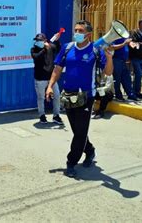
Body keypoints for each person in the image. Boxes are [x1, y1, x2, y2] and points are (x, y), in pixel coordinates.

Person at [46, 20, 113, 178]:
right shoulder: (67, 48)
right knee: (78, 131)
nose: (77, 32)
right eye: (76, 29)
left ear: (88, 34)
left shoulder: (96, 50)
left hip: (86, 96)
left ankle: (71, 162)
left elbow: (108, 72)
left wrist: (109, 58)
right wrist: (50, 86)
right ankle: (90, 151)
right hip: (69, 95)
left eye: (80, 30)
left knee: (80, 132)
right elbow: (57, 68)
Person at [30, 32, 63, 124]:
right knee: (41, 98)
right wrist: (44, 48)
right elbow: (36, 57)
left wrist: (57, 40)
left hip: (51, 78)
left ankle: (56, 115)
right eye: (37, 40)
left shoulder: (51, 47)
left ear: (45, 40)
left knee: (57, 96)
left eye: (40, 40)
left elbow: (59, 49)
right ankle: (42, 115)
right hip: (40, 78)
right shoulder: (34, 49)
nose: (38, 42)